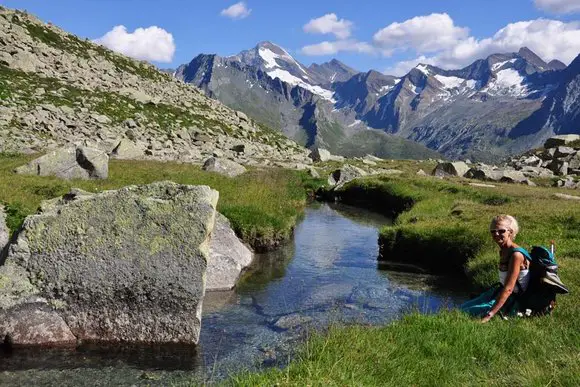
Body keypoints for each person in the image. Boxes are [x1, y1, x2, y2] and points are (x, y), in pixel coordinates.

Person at [460, 214, 530, 323]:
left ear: (510, 232)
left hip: (514, 299)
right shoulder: (503, 250)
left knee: (464, 314)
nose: (496, 234)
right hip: (499, 291)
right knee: (460, 309)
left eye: (501, 231)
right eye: (493, 231)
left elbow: (509, 289)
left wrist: (489, 315)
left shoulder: (516, 255)